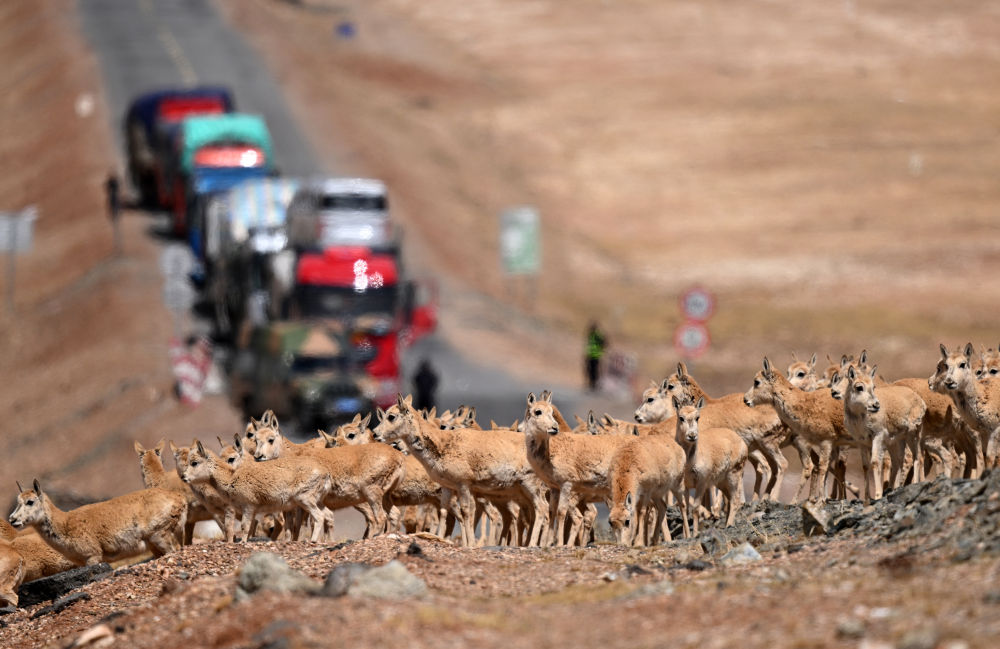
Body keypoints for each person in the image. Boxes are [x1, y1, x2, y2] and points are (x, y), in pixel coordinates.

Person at [584, 321, 607, 392]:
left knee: (595, 371)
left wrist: (602, 350)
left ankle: (594, 385)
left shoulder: (598, 335)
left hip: (596, 356)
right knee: (589, 370)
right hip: (590, 355)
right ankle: (590, 384)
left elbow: (605, 342)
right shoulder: (591, 335)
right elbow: (589, 345)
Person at [105, 172, 122, 256]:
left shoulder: (113, 186)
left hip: (114, 202)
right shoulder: (112, 186)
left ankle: (118, 247)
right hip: (114, 202)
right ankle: (117, 247)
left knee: (116, 224)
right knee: (115, 224)